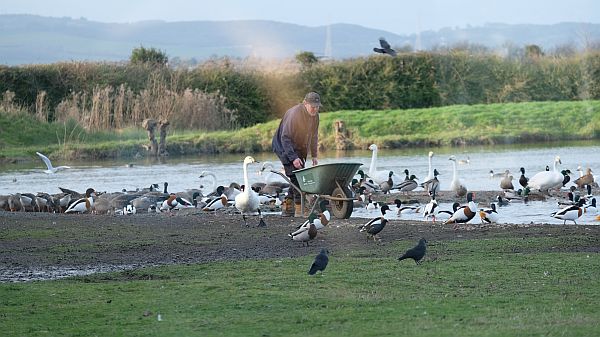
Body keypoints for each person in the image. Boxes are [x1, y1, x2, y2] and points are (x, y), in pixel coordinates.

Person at [272, 92, 321, 217]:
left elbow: (314, 136)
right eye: (313, 106)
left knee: (299, 174)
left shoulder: (315, 116)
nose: (315, 109)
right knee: (296, 176)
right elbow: (285, 138)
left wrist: (314, 155)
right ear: (305, 103)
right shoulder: (294, 114)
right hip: (283, 146)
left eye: (317, 106)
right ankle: (300, 209)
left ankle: (288, 206)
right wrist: (293, 158)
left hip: (299, 147)